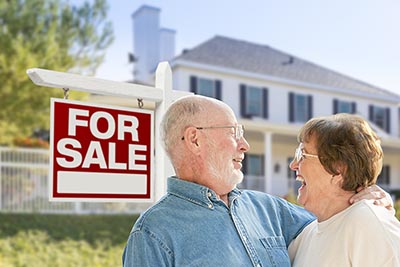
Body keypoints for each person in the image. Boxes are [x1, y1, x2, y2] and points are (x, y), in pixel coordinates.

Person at [122, 95, 393, 267]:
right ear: (195, 139)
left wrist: (369, 194)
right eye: (234, 132)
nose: (245, 145)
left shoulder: (269, 209)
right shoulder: (152, 236)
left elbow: (337, 218)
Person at [288, 113, 400, 266]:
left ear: (338, 169)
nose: (293, 165)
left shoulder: (367, 223)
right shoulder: (306, 235)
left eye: (302, 154)